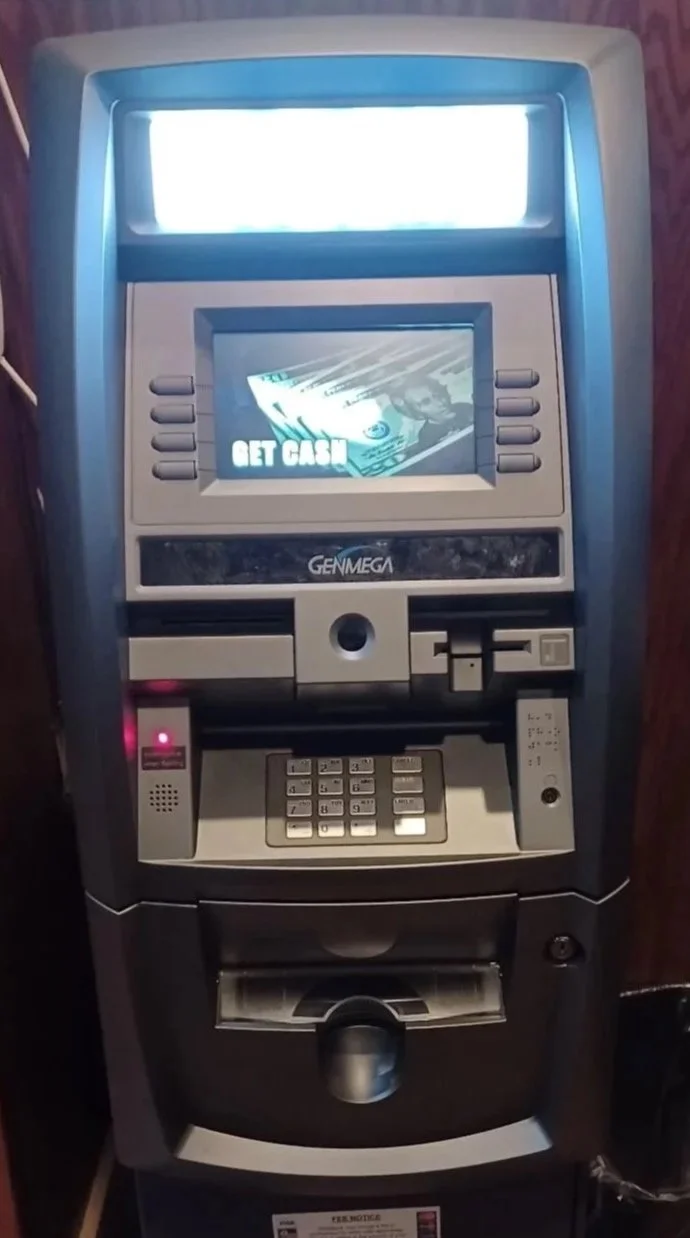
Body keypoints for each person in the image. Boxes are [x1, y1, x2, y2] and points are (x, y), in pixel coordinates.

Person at [387, 375, 474, 456]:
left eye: (437, 395)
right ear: (416, 413)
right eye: (426, 402)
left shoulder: (464, 407)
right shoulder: (427, 436)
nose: (440, 403)